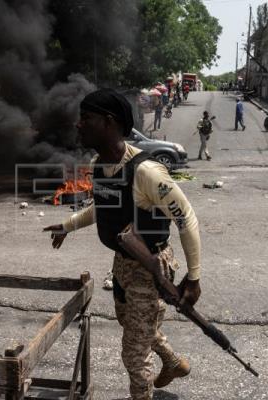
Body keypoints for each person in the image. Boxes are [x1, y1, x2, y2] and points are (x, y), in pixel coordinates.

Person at [44, 88, 202, 400]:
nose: (79, 124)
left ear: (108, 122)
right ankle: (172, 362)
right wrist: (68, 225)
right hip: (123, 263)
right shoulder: (100, 164)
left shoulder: (146, 172)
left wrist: (194, 278)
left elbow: (186, 218)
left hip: (150, 266)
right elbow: (102, 207)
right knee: (130, 322)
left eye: (85, 118)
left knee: (133, 352)